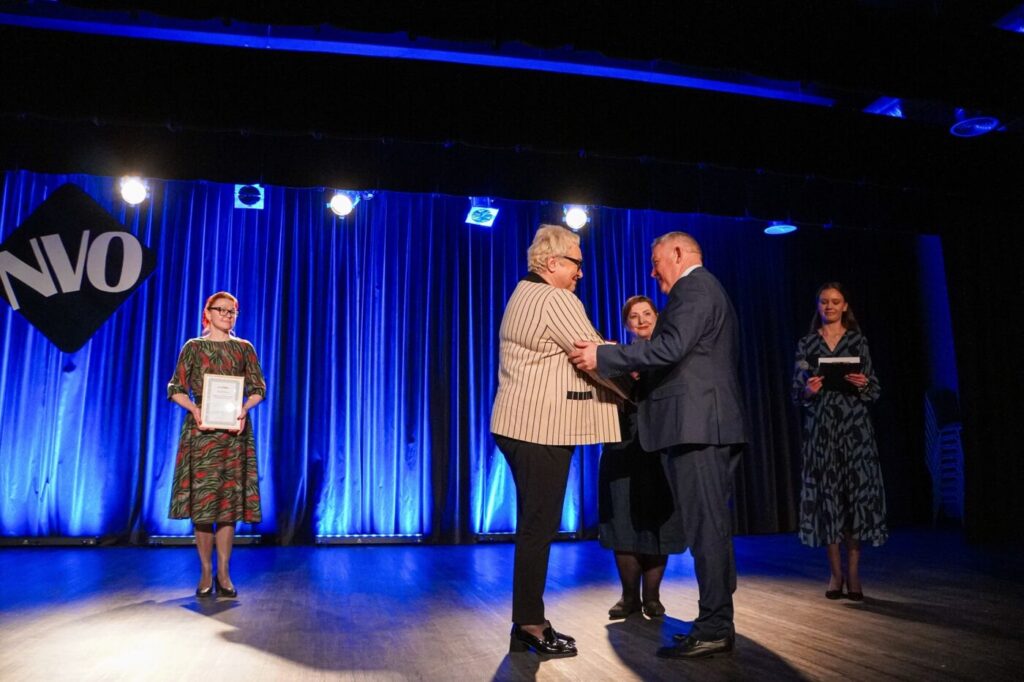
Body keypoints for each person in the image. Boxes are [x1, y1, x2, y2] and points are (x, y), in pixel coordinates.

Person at [570, 231, 747, 659]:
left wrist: (603, 357)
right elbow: (684, 357)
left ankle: (715, 626)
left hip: (699, 427)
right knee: (708, 529)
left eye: (656, 262)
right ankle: (714, 622)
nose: (652, 272)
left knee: (707, 531)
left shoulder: (694, 287)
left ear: (678, 254)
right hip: (699, 426)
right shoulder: (700, 289)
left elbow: (670, 347)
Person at [491, 224, 626, 658]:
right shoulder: (556, 298)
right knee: (538, 528)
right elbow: (594, 355)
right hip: (540, 428)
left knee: (535, 525)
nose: (581, 273)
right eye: (576, 264)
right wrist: (638, 388)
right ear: (553, 263)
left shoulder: (522, 292)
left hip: (519, 425)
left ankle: (528, 622)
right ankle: (530, 625)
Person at [168, 291, 266, 599]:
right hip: (201, 434)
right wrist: (195, 409)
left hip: (233, 436)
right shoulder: (194, 347)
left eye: (232, 311)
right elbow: (175, 388)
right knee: (203, 506)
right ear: (207, 313)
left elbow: (259, 388)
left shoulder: (244, 348)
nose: (226, 314)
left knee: (227, 506)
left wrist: (244, 408)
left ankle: (224, 572)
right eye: (220, 309)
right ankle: (205, 572)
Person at [792, 282, 887, 601]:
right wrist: (809, 391)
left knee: (854, 498)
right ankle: (835, 573)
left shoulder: (858, 341)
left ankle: (855, 574)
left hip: (855, 430)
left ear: (845, 306)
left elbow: (874, 390)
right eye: (824, 301)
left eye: (835, 301)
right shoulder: (807, 344)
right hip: (822, 431)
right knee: (828, 499)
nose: (830, 306)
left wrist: (862, 384)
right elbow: (796, 391)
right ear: (818, 306)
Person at [599, 295, 685, 620]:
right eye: (634, 316)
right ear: (627, 324)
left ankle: (652, 598)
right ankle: (628, 598)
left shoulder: (670, 353)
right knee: (622, 520)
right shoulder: (619, 357)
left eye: (647, 313)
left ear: (657, 316)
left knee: (657, 520)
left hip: (661, 445)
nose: (641, 320)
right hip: (622, 443)